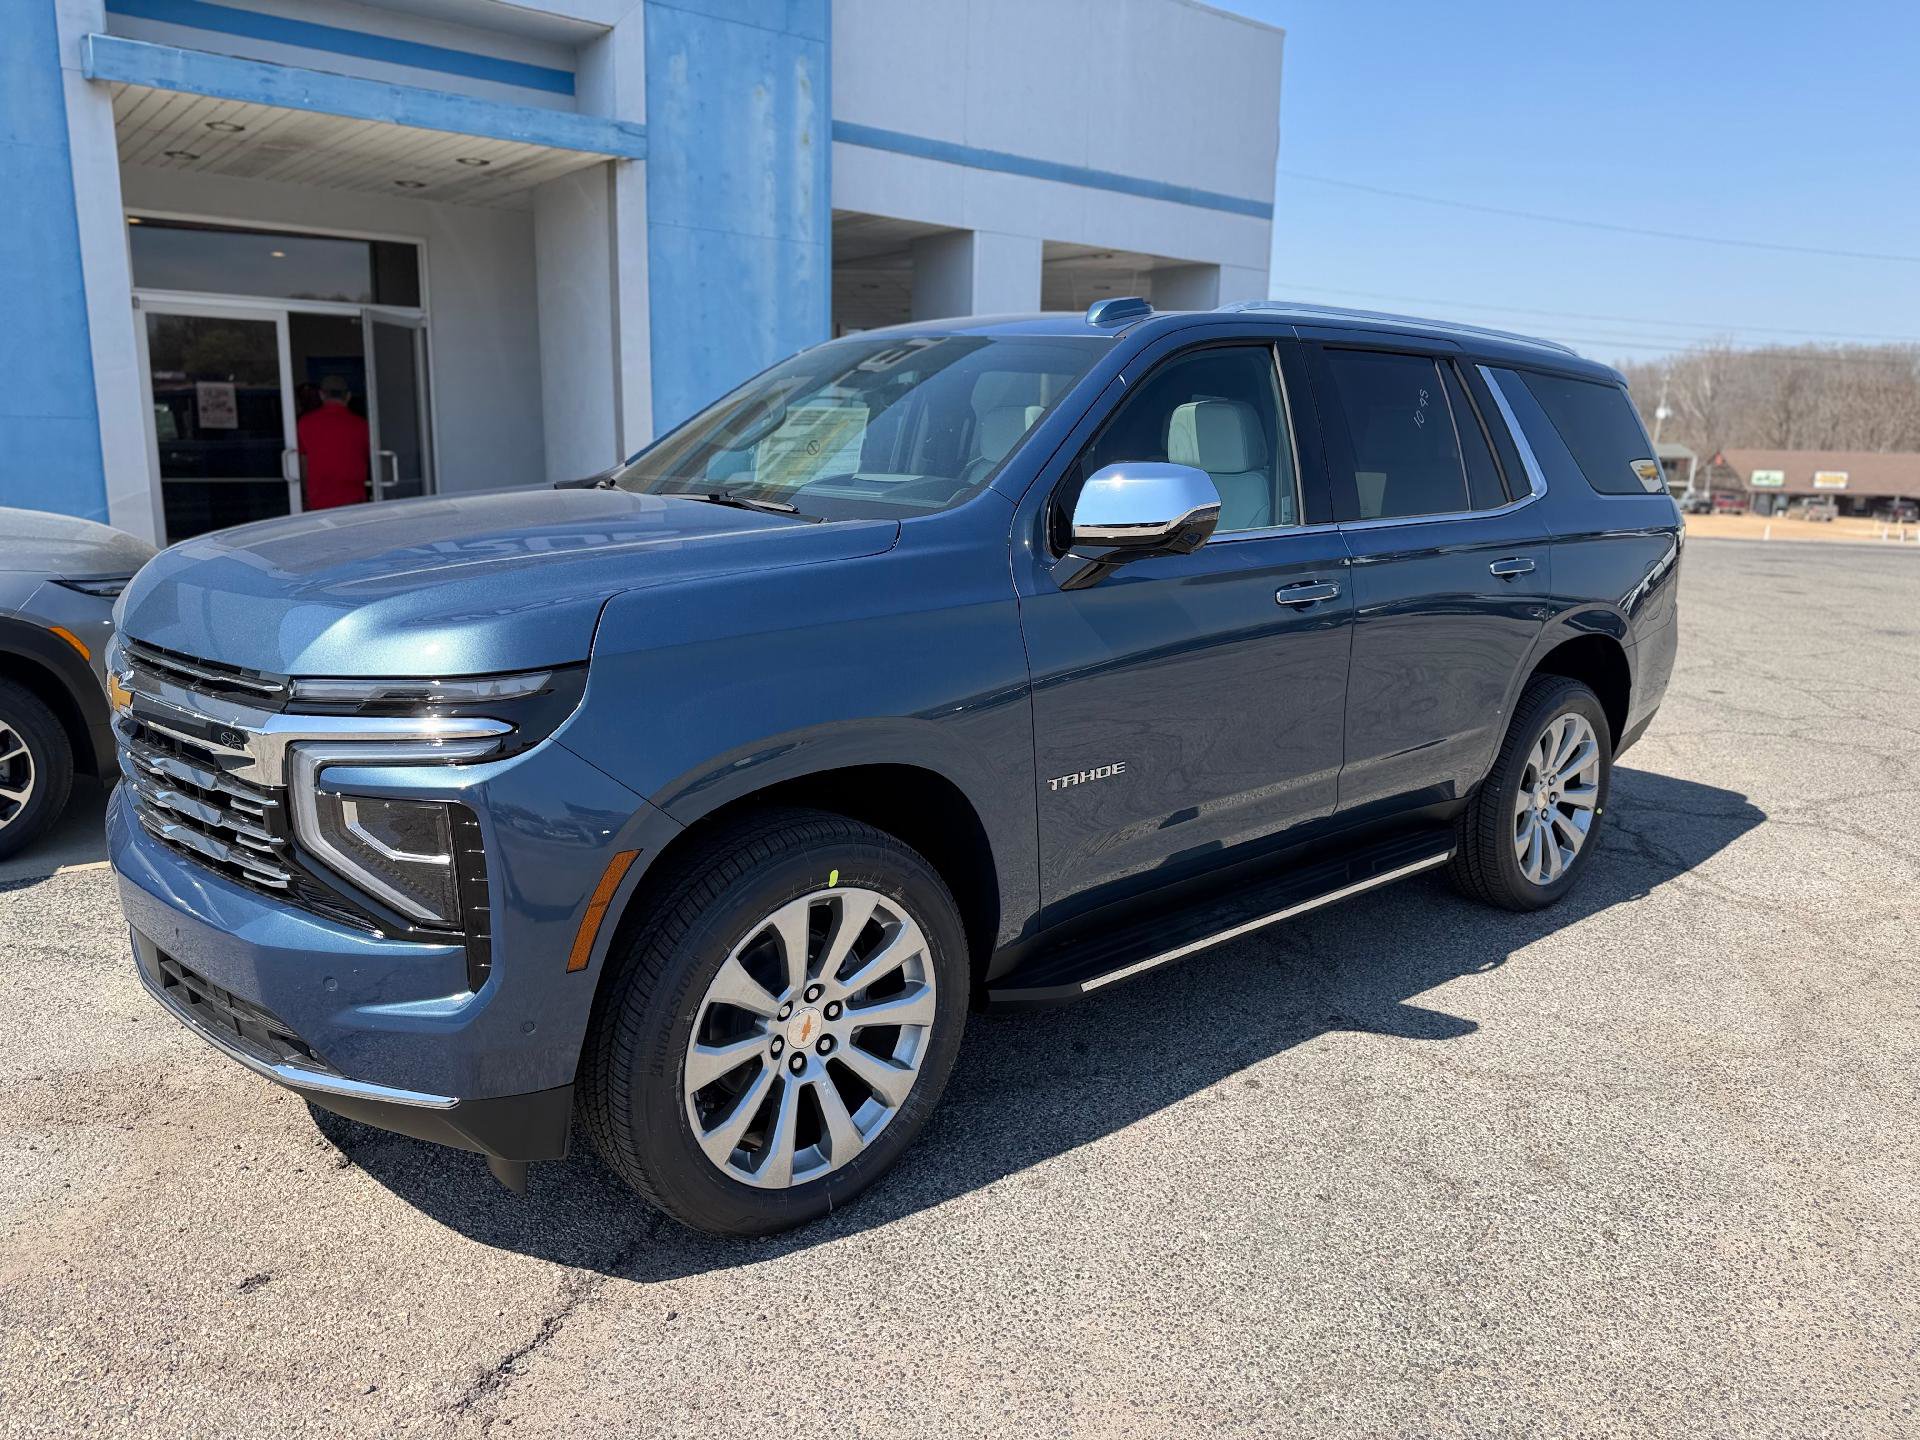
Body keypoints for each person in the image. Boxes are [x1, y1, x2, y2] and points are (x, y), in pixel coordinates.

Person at [297, 374, 370, 510]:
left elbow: (303, 463)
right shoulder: (362, 425)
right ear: (348, 396)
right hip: (353, 500)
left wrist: (305, 494)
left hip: (317, 500)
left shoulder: (305, 423)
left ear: (321, 395)